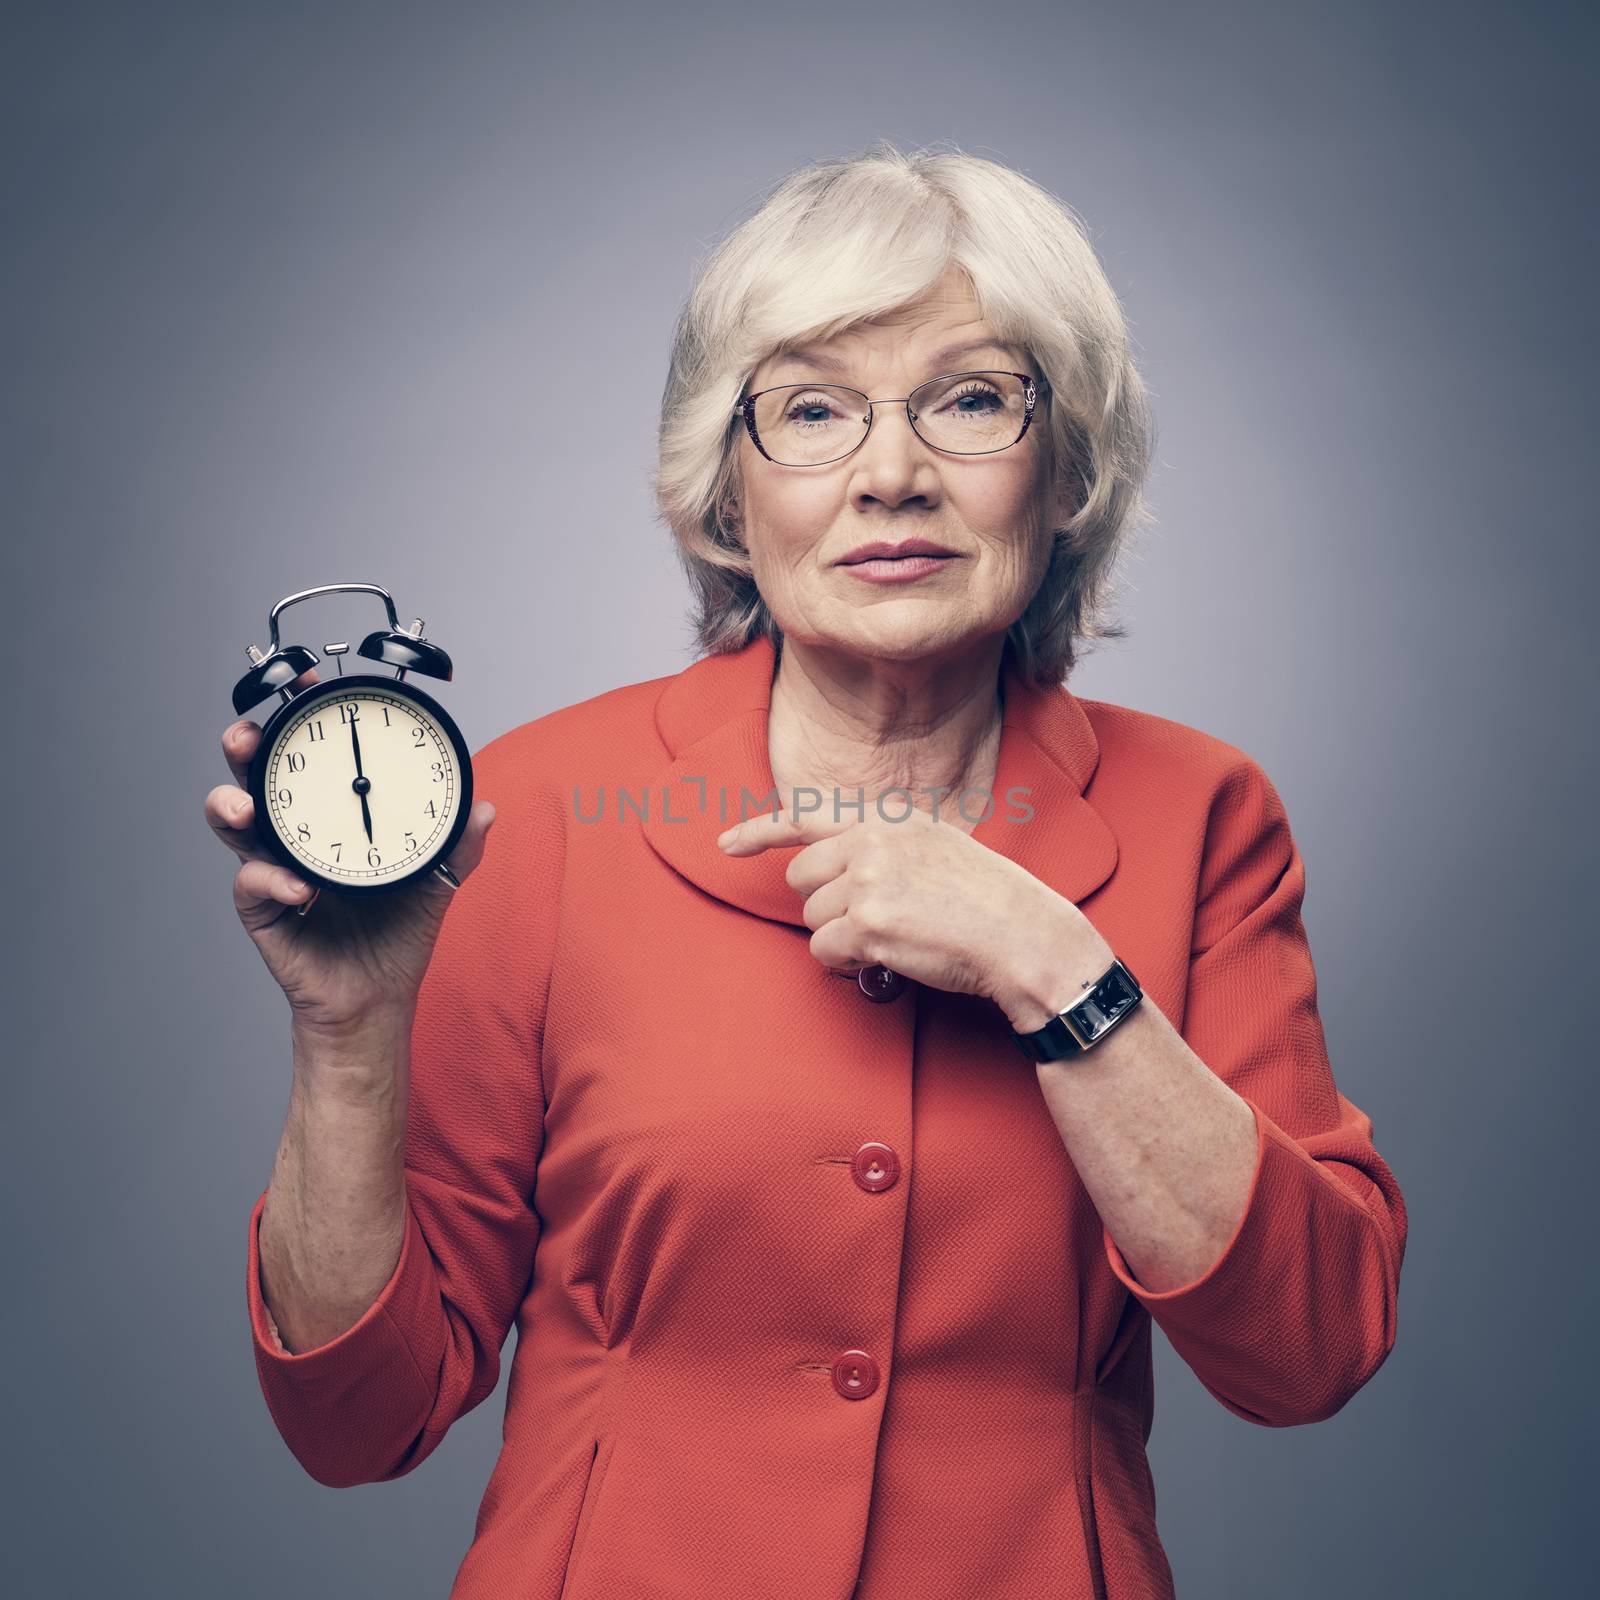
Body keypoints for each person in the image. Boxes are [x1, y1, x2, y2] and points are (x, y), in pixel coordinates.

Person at [207, 142, 1408, 1600]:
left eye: (971, 400)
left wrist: (1051, 965)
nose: (890, 474)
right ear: (726, 492)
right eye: (813, 413)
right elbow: (357, 1424)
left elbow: (1311, 1352)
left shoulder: (1201, 815)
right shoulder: (529, 813)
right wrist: (344, 1044)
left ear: (1069, 468)